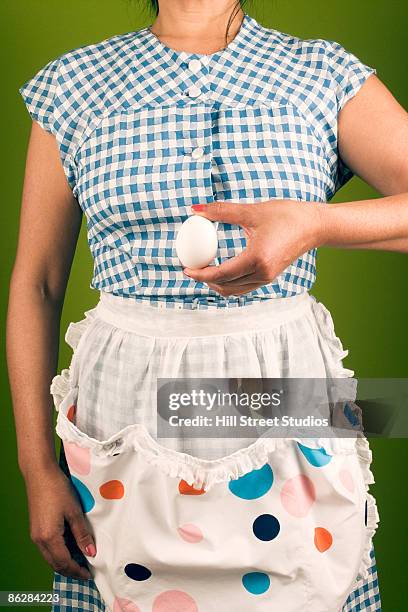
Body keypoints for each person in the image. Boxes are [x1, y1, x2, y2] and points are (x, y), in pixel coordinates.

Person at [9, 0, 408, 609]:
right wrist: (37, 469)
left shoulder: (320, 73)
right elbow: (36, 284)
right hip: (123, 400)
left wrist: (314, 224)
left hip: (281, 386)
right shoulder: (75, 83)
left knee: (307, 577)